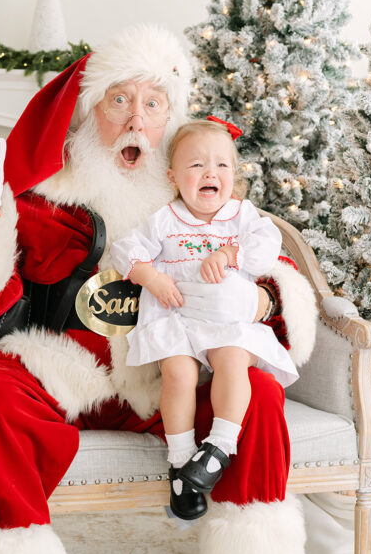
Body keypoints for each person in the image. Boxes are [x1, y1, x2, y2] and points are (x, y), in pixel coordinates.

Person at [0, 25, 331, 554]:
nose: (137, 117)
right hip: (64, 364)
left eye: (153, 101)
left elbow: (274, 277)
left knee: (256, 390)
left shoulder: (202, 196)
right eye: (119, 99)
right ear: (88, 114)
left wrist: (260, 299)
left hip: (166, 368)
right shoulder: (41, 196)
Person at [111, 118, 299, 522]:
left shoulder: (241, 215)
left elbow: (267, 248)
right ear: (173, 177)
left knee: (232, 360)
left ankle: (219, 448)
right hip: (178, 315)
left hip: (227, 320)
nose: (210, 173)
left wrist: (230, 255)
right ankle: (181, 464)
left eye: (221, 166)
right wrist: (152, 277)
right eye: (196, 166)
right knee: (177, 372)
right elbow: (126, 250)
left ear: (234, 175)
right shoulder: (165, 218)